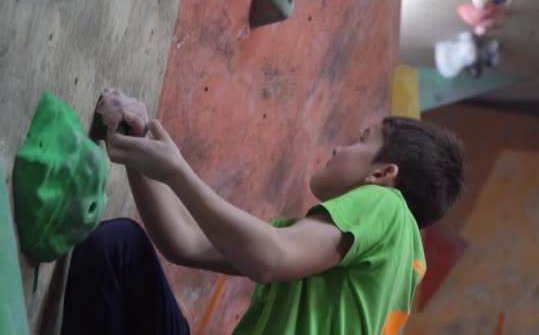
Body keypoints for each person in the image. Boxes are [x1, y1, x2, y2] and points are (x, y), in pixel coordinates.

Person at [61, 89, 464, 335]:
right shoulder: (358, 259)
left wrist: (177, 170)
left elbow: (269, 257)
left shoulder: (387, 207)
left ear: (382, 173)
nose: (341, 149)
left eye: (362, 140)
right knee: (122, 249)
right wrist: (139, 147)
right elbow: (186, 244)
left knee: (117, 249)